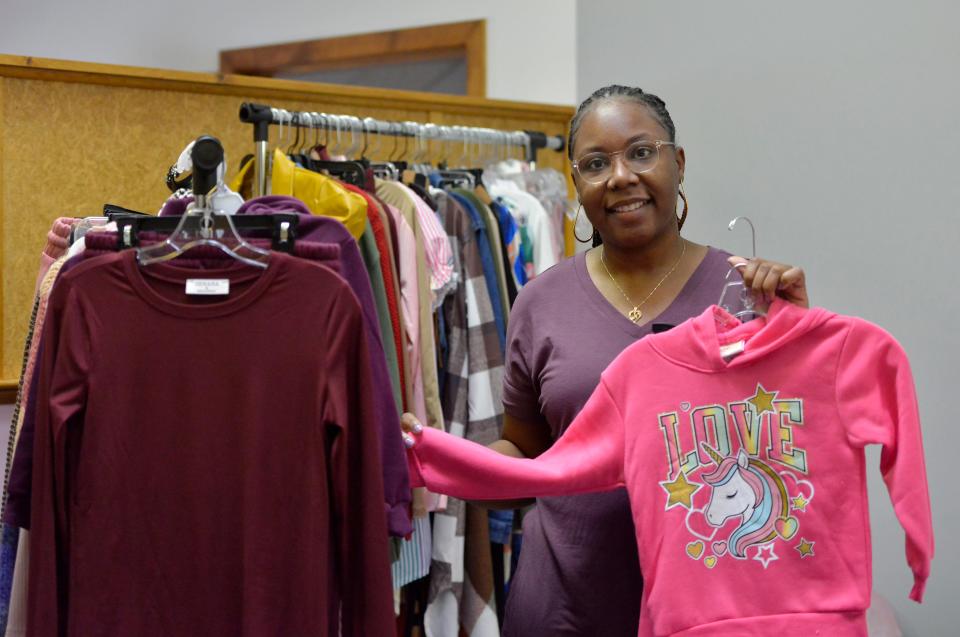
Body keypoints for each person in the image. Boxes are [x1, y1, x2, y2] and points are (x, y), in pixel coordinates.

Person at [402, 84, 809, 636]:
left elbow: (792, 448)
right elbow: (526, 450)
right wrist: (437, 456)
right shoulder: (540, 303)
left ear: (678, 163)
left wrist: (797, 330)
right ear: (577, 184)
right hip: (565, 606)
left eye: (641, 152)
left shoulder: (745, 294)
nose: (620, 176)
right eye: (596, 163)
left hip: (711, 607)